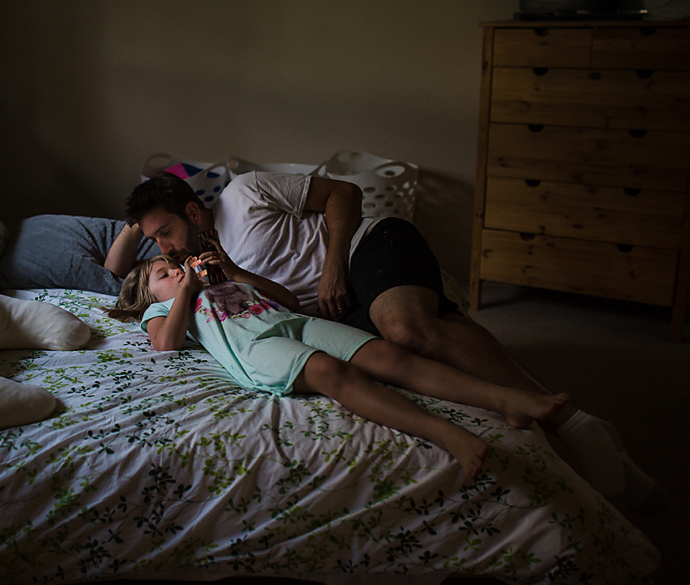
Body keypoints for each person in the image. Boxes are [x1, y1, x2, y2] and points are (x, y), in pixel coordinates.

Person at [105, 169, 668, 514]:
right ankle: (569, 424)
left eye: (168, 234)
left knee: (406, 329)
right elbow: (125, 277)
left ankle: (571, 424)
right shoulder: (200, 272)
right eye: (156, 246)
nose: (167, 251)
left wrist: (331, 266)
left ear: (195, 211)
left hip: (361, 255)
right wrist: (179, 252)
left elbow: (345, 193)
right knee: (407, 347)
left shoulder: (247, 195)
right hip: (325, 311)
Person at [108, 246, 571, 479]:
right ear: (151, 293)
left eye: (175, 265)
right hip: (256, 347)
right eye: (163, 274)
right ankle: (446, 433)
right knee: (333, 372)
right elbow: (165, 345)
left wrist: (229, 271)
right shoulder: (162, 309)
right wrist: (185, 289)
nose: (176, 271)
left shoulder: (222, 284)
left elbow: (287, 299)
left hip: (291, 320)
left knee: (388, 353)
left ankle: (507, 398)